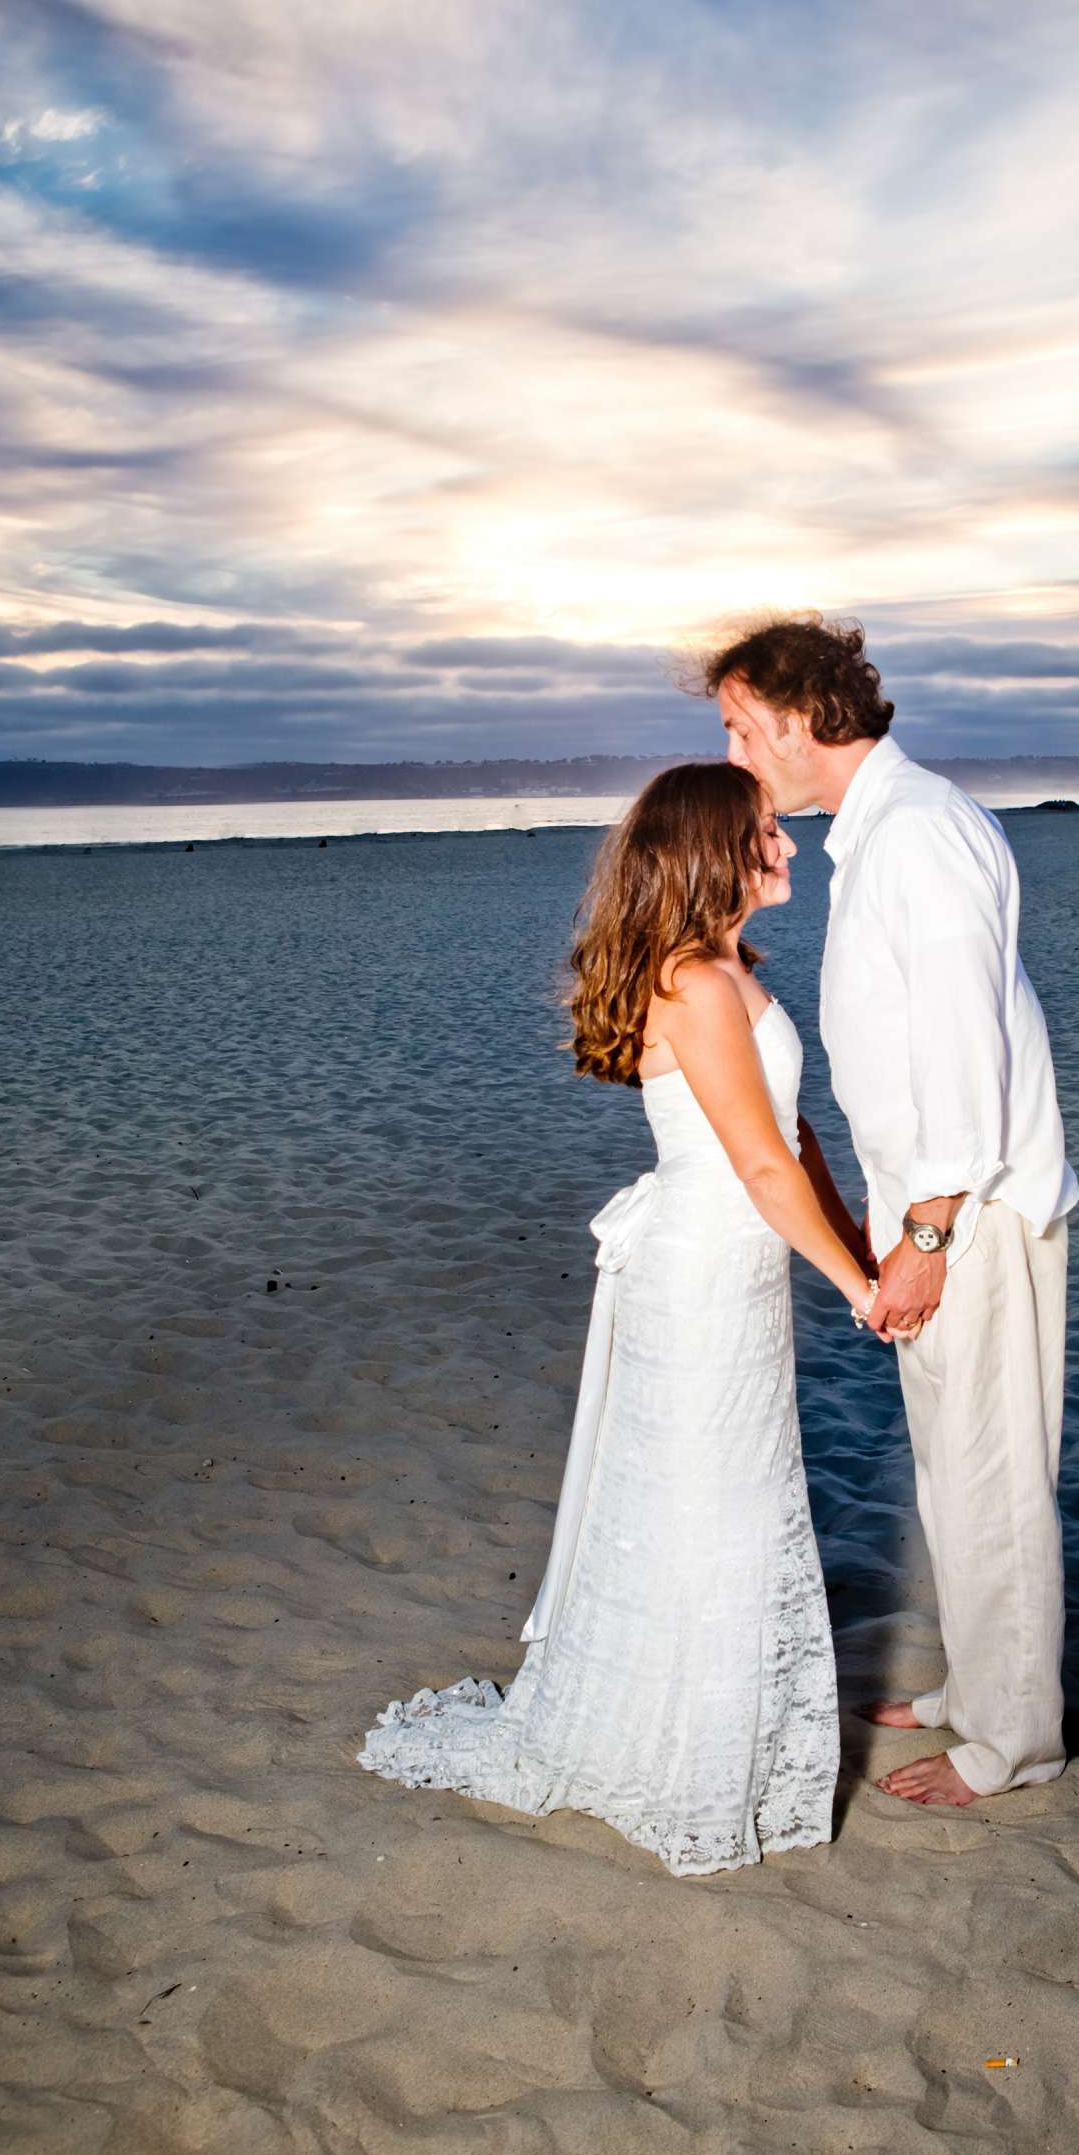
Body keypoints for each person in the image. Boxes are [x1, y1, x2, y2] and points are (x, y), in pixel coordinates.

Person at [358, 763, 878, 1877]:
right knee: (710, 1503)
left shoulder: (734, 970)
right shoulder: (692, 982)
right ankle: (687, 1768)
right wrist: (856, 1285)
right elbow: (755, 1162)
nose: (788, 850)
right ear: (710, 855)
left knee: (729, 1496)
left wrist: (860, 1242)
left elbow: (799, 1143)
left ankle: (708, 1746)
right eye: (766, 837)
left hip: (735, 1268)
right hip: (698, 1273)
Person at [709, 616, 1079, 1810]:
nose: (731, 753)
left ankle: (1011, 1742)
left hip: (967, 1216)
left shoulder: (916, 835)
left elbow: (965, 1058)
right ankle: (977, 1693)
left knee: (993, 1477)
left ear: (800, 720)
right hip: (926, 1210)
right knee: (951, 1470)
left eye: (736, 727)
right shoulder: (878, 833)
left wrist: (923, 1237)